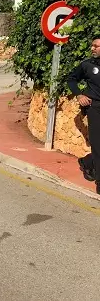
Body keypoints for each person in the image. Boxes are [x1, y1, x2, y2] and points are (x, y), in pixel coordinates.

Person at [67, 36, 100, 193]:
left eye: (96, 46)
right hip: (95, 108)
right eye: (92, 45)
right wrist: (79, 95)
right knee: (98, 143)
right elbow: (71, 79)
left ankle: (87, 162)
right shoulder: (86, 65)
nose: (93, 48)